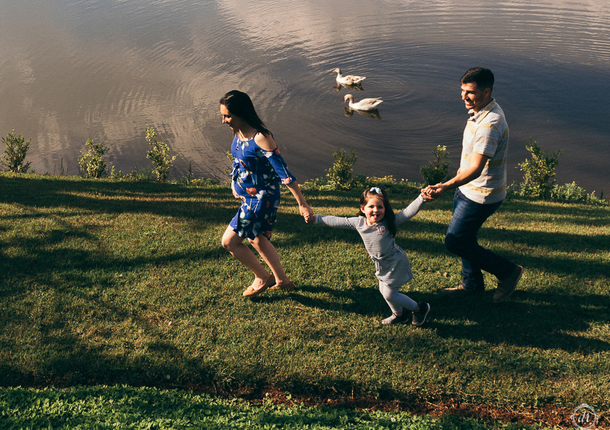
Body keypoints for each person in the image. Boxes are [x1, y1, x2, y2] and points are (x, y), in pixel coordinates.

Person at [421, 67, 524, 302]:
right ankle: (472, 284)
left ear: (486, 92)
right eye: (462, 91)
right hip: (467, 189)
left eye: (470, 92)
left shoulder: (490, 124)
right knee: (466, 240)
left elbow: (477, 169)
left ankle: (508, 272)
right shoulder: (480, 112)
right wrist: (457, 181)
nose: (464, 97)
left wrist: (445, 186)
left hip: (482, 195)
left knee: (455, 240)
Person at [219, 90, 313, 297]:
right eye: (223, 115)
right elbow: (238, 162)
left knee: (229, 242)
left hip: (261, 199)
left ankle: (262, 276)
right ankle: (282, 280)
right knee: (258, 239)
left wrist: (302, 203)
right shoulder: (238, 133)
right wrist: (234, 184)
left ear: (241, 113)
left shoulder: (261, 137)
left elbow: (284, 173)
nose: (224, 120)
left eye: (227, 116)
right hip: (248, 197)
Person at [304, 186, 432, 326]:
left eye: (380, 207)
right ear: (363, 208)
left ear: (385, 208)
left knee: (390, 294)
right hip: (381, 264)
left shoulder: (388, 223)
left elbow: (407, 212)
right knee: (383, 290)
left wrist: (422, 198)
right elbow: (336, 221)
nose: (376, 210)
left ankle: (420, 308)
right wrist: (315, 218)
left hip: (395, 262)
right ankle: (400, 315)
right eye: (371, 206)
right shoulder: (359, 223)